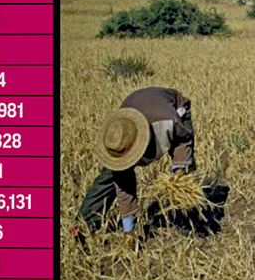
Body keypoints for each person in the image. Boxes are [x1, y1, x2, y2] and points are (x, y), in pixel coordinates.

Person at [81, 86, 195, 232]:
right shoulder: (120, 132)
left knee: (185, 173)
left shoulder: (168, 121)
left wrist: (179, 171)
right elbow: (124, 187)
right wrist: (129, 230)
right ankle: (84, 223)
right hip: (136, 107)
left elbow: (184, 139)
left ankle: (189, 217)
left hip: (172, 111)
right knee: (112, 174)